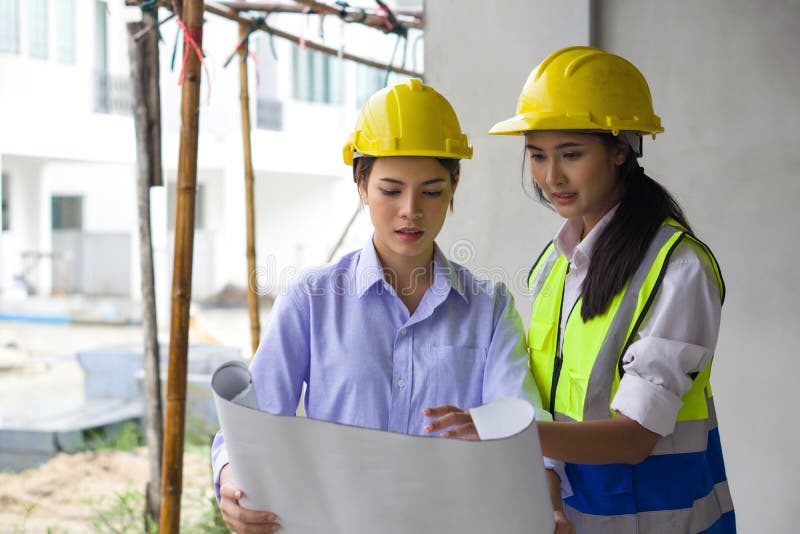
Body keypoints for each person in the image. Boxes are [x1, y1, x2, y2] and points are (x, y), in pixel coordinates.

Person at [211, 79, 573, 533]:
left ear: (454, 186)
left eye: (432, 191)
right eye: (390, 189)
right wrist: (230, 482)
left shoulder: (488, 308)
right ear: (361, 184)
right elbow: (251, 427)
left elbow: (523, 432)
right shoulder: (311, 301)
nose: (410, 210)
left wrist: (548, 509)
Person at [480, 45, 736, 533]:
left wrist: (507, 435)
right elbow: (548, 399)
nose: (551, 177)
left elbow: (634, 439)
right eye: (537, 156)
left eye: (571, 154)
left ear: (620, 149)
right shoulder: (555, 267)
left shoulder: (678, 269)